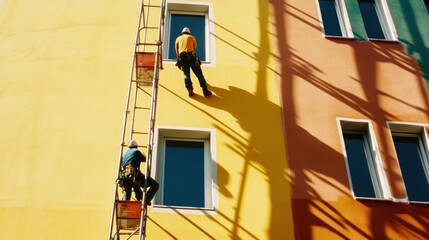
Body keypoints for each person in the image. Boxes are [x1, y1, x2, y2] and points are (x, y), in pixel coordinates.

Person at [175, 27, 212, 97]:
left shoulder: (178, 38)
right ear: (189, 32)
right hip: (191, 56)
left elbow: (176, 47)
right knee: (199, 74)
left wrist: (178, 57)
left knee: (186, 75)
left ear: (182, 32)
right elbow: (194, 48)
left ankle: (190, 89)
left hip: (182, 57)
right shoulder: (191, 37)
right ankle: (205, 89)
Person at [121, 140, 159, 205]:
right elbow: (144, 159)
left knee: (128, 191)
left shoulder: (123, 154)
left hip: (124, 175)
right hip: (133, 174)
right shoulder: (136, 151)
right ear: (136, 146)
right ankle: (146, 199)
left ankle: (125, 205)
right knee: (155, 184)